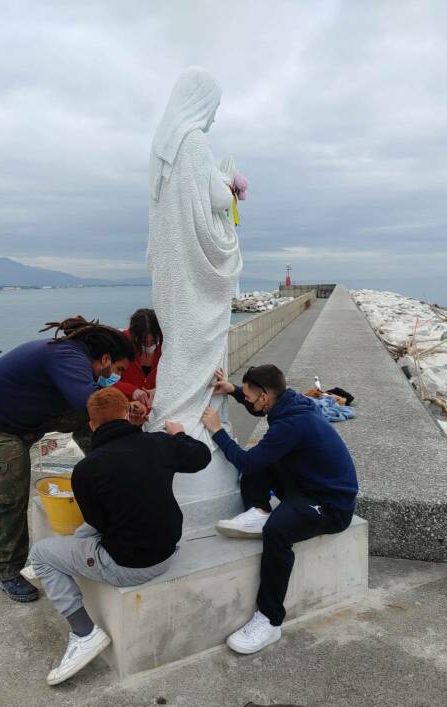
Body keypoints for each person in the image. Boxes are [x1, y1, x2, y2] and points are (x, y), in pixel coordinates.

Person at [30, 387, 211, 685]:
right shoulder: (159, 444)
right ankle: (70, 554)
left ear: (91, 425)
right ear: (127, 414)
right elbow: (201, 457)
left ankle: (84, 634)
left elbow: (99, 522)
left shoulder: (87, 470)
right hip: (166, 550)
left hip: (129, 567)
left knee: (42, 555)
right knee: (87, 532)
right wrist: (178, 434)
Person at [0, 316, 136, 603]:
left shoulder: (74, 357)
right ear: (105, 358)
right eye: (117, 369)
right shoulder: (68, 357)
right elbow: (93, 405)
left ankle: (112, 465)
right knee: (11, 495)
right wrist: (129, 413)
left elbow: (93, 405)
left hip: (25, 418)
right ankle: (7, 571)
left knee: (89, 421)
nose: (116, 376)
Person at [201, 364, 358, 655]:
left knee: (277, 529)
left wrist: (217, 431)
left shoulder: (290, 425)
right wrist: (234, 390)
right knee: (259, 457)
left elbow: (246, 462)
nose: (247, 401)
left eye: (249, 397)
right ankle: (259, 511)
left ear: (264, 396)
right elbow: (259, 419)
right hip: (306, 485)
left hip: (331, 504)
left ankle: (269, 620)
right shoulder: (292, 402)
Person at [146, 66, 243, 446]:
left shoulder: (163, 147)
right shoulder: (196, 142)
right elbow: (218, 200)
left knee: (179, 345)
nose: (215, 115)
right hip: (196, 269)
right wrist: (229, 180)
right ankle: (195, 422)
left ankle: (168, 414)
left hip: (172, 265)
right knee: (198, 344)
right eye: (213, 105)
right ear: (200, 101)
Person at [114, 308, 162, 410]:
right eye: (143, 341)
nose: (149, 345)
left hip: (154, 413)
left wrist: (161, 390)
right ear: (133, 335)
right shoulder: (119, 344)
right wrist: (132, 390)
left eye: (153, 341)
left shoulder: (166, 348)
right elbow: (104, 381)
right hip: (124, 410)